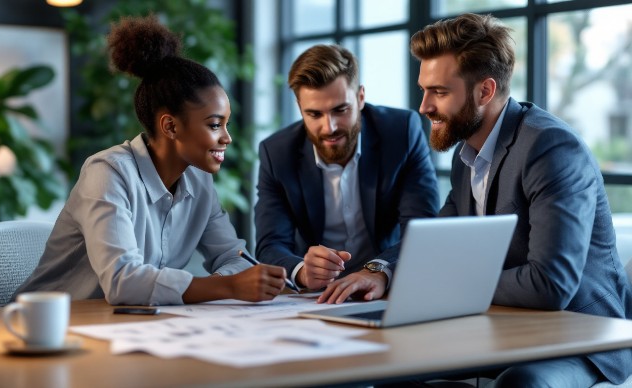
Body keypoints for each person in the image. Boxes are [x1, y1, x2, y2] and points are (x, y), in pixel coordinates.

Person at [411, 13, 632, 387]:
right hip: (505, 330)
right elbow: (432, 236)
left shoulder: (550, 148)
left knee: (521, 384)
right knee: (398, 370)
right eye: (424, 89)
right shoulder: (466, 154)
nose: (424, 106)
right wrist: (380, 271)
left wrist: (453, 284)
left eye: (440, 92)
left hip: (583, 338)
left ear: (484, 91)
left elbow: (551, 283)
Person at [14, 16, 287, 305]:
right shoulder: (107, 173)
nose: (227, 138)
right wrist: (229, 287)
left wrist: (230, 282)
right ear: (170, 126)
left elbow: (235, 256)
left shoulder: (200, 182)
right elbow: (123, 281)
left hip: (127, 327)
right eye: (215, 125)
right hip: (47, 327)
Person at [254, 44, 439, 304]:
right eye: (314, 114)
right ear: (299, 107)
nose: (329, 127)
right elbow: (270, 244)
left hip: (385, 289)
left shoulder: (402, 133)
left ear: (360, 97)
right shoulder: (277, 153)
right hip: (315, 298)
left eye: (340, 110)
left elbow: (421, 230)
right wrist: (303, 272)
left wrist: (378, 270)